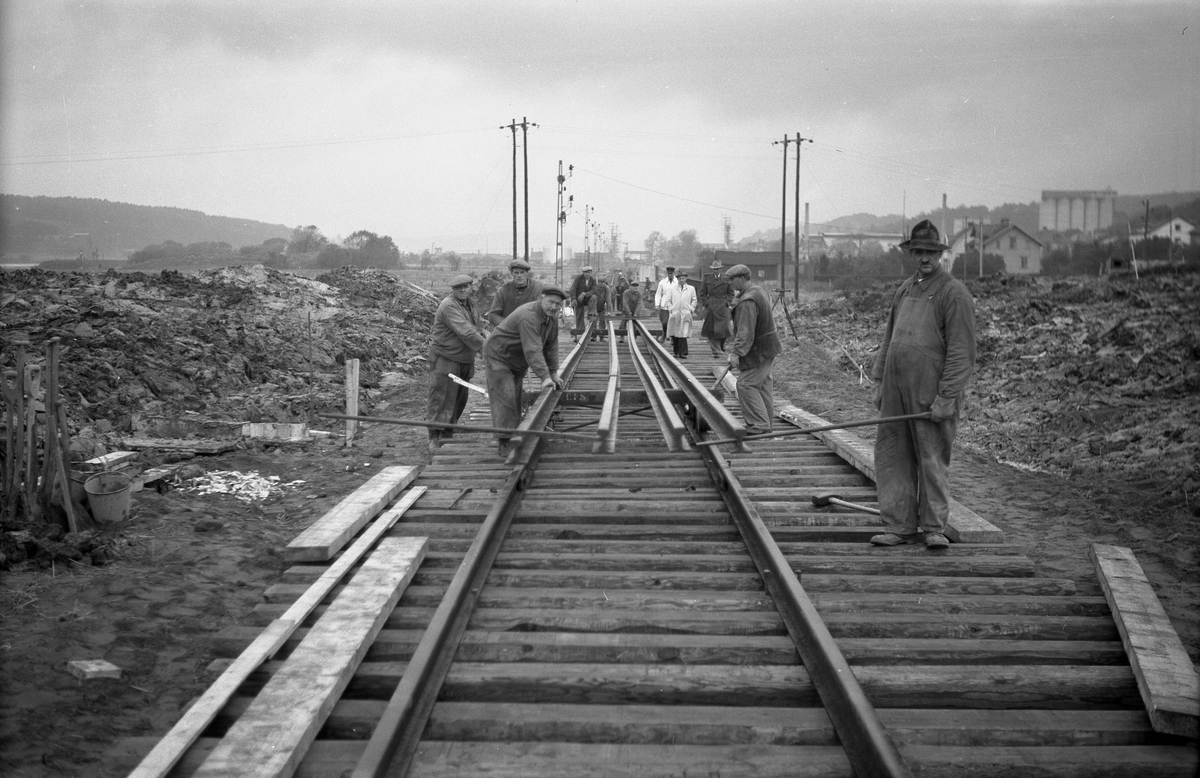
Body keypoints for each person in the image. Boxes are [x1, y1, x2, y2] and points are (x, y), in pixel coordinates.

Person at [868, 220, 976, 550]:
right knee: (893, 455)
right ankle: (898, 526)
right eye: (918, 252)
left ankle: (933, 528)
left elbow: (962, 351)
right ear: (911, 254)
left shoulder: (953, 293)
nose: (924, 258)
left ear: (940, 254)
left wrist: (947, 396)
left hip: (930, 392)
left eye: (930, 252)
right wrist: (879, 379)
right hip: (895, 390)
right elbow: (889, 338)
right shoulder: (904, 290)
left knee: (931, 458)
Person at [482, 284, 567, 457]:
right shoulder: (528, 316)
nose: (554, 307)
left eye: (558, 304)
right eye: (551, 302)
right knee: (505, 399)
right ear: (542, 298)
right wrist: (544, 377)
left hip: (517, 360)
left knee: (515, 399)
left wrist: (553, 373)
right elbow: (532, 350)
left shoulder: (551, 318)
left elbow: (551, 346)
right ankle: (505, 444)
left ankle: (514, 436)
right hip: (499, 356)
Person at [426, 275, 485, 452]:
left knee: (459, 398)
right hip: (446, 358)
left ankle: (448, 431)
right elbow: (466, 332)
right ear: (453, 289)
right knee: (441, 397)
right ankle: (434, 436)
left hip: (465, 359)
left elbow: (478, 328)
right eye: (459, 287)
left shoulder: (471, 304)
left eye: (466, 286)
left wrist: (493, 341)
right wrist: (486, 349)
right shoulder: (448, 306)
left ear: (470, 287)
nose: (463, 290)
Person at [725, 264, 782, 435]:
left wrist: (736, 353)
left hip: (759, 350)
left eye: (732, 279)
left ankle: (759, 424)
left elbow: (745, 332)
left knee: (745, 385)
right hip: (768, 347)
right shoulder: (757, 290)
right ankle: (766, 424)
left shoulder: (748, 301)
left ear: (742, 278)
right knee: (762, 386)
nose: (730, 283)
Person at [485, 258, 543, 327]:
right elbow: (493, 315)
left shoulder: (538, 288)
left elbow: (542, 312)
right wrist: (508, 325)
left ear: (527, 273)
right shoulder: (503, 291)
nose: (519, 275)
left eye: (522, 272)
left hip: (531, 328)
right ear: (512, 273)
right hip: (508, 329)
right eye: (516, 273)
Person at [699, 257, 732, 357]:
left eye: (717, 269)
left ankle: (722, 344)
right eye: (714, 269)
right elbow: (702, 293)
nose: (715, 271)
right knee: (711, 330)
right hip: (711, 306)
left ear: (721, 269)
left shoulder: (726, 278)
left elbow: (731, 293)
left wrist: (727, 302)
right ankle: (716, 351)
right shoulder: (707, 278)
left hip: (723, 306)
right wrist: (707, 303)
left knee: (724, 329)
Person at [666, 269, 696, 359]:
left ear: (686, 279)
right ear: (677, 279)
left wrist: (691, 309)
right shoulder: (672, 289)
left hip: (685, 313)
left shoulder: (691, 289)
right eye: (679, 279)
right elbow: (668, 300)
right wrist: (671, 308)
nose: (681, 280)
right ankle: (676, 352)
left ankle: (683, 352)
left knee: (683, 333)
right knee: (675, 333)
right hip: (675, 313)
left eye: (683, 278)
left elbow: (694, 300)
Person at [569, 266, 597, 343]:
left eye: (589, 272)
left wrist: (585, 294)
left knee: (594, 297)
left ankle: (591, 314)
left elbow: (594, 290)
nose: (588, 274)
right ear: (583, 273)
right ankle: (580, 333)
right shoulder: (578, 278)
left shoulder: (593, 280)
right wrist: (574, 299)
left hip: (587, 298)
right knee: (579, 316)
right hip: (579, 299)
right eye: (586, 272)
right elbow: (573, 288)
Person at [654, 266, 677, 342]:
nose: (670, 275)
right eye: (669, 273)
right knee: (664, 322)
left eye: (671, 273)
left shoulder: (677, 282)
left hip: (674, 305)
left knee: (674, 322)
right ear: (667, 273)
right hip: (664, 305)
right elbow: (658, 294)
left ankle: (673, 338)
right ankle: (664, 334)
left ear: (674, 273)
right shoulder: (662, 282)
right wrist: (657, 304)